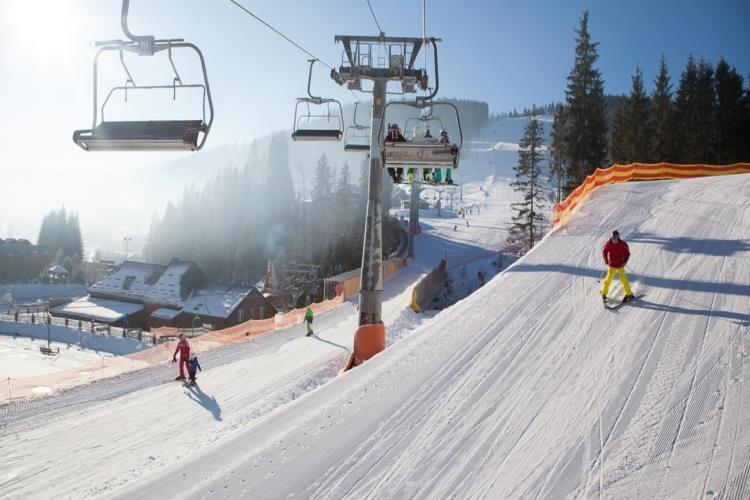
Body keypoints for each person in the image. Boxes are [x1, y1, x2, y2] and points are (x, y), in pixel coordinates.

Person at [601, 230, 634, 303]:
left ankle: (629, 294)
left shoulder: (622, 244)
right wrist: (605, 259)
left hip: (620, 265)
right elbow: (604, 251)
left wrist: (625, 261)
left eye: (615, 238)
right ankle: (604, 293)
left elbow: (627, 253)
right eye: (613, 238)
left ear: (618, 238)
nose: (614, 240)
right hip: (612, 265)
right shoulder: (609, 243)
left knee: (624, 280)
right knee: (608, 279)